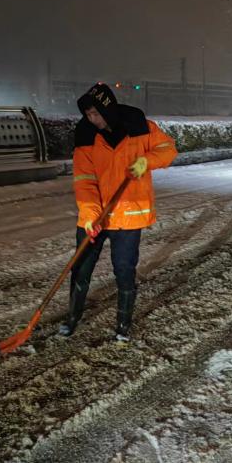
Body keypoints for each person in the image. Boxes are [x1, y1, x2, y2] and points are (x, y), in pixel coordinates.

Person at [60, 82, 177, 342]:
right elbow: (85, 180)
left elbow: (168, 149)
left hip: (127, 216)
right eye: (88, 114)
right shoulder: (86, 135)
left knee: (124, 271)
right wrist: (91, 215)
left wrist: (147, 160)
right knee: (81, 268)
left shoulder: (139, 125)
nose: (92, 119)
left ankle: (123, 324)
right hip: (95, 217)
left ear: (107, 109)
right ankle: (72, 318)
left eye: (95, 113)